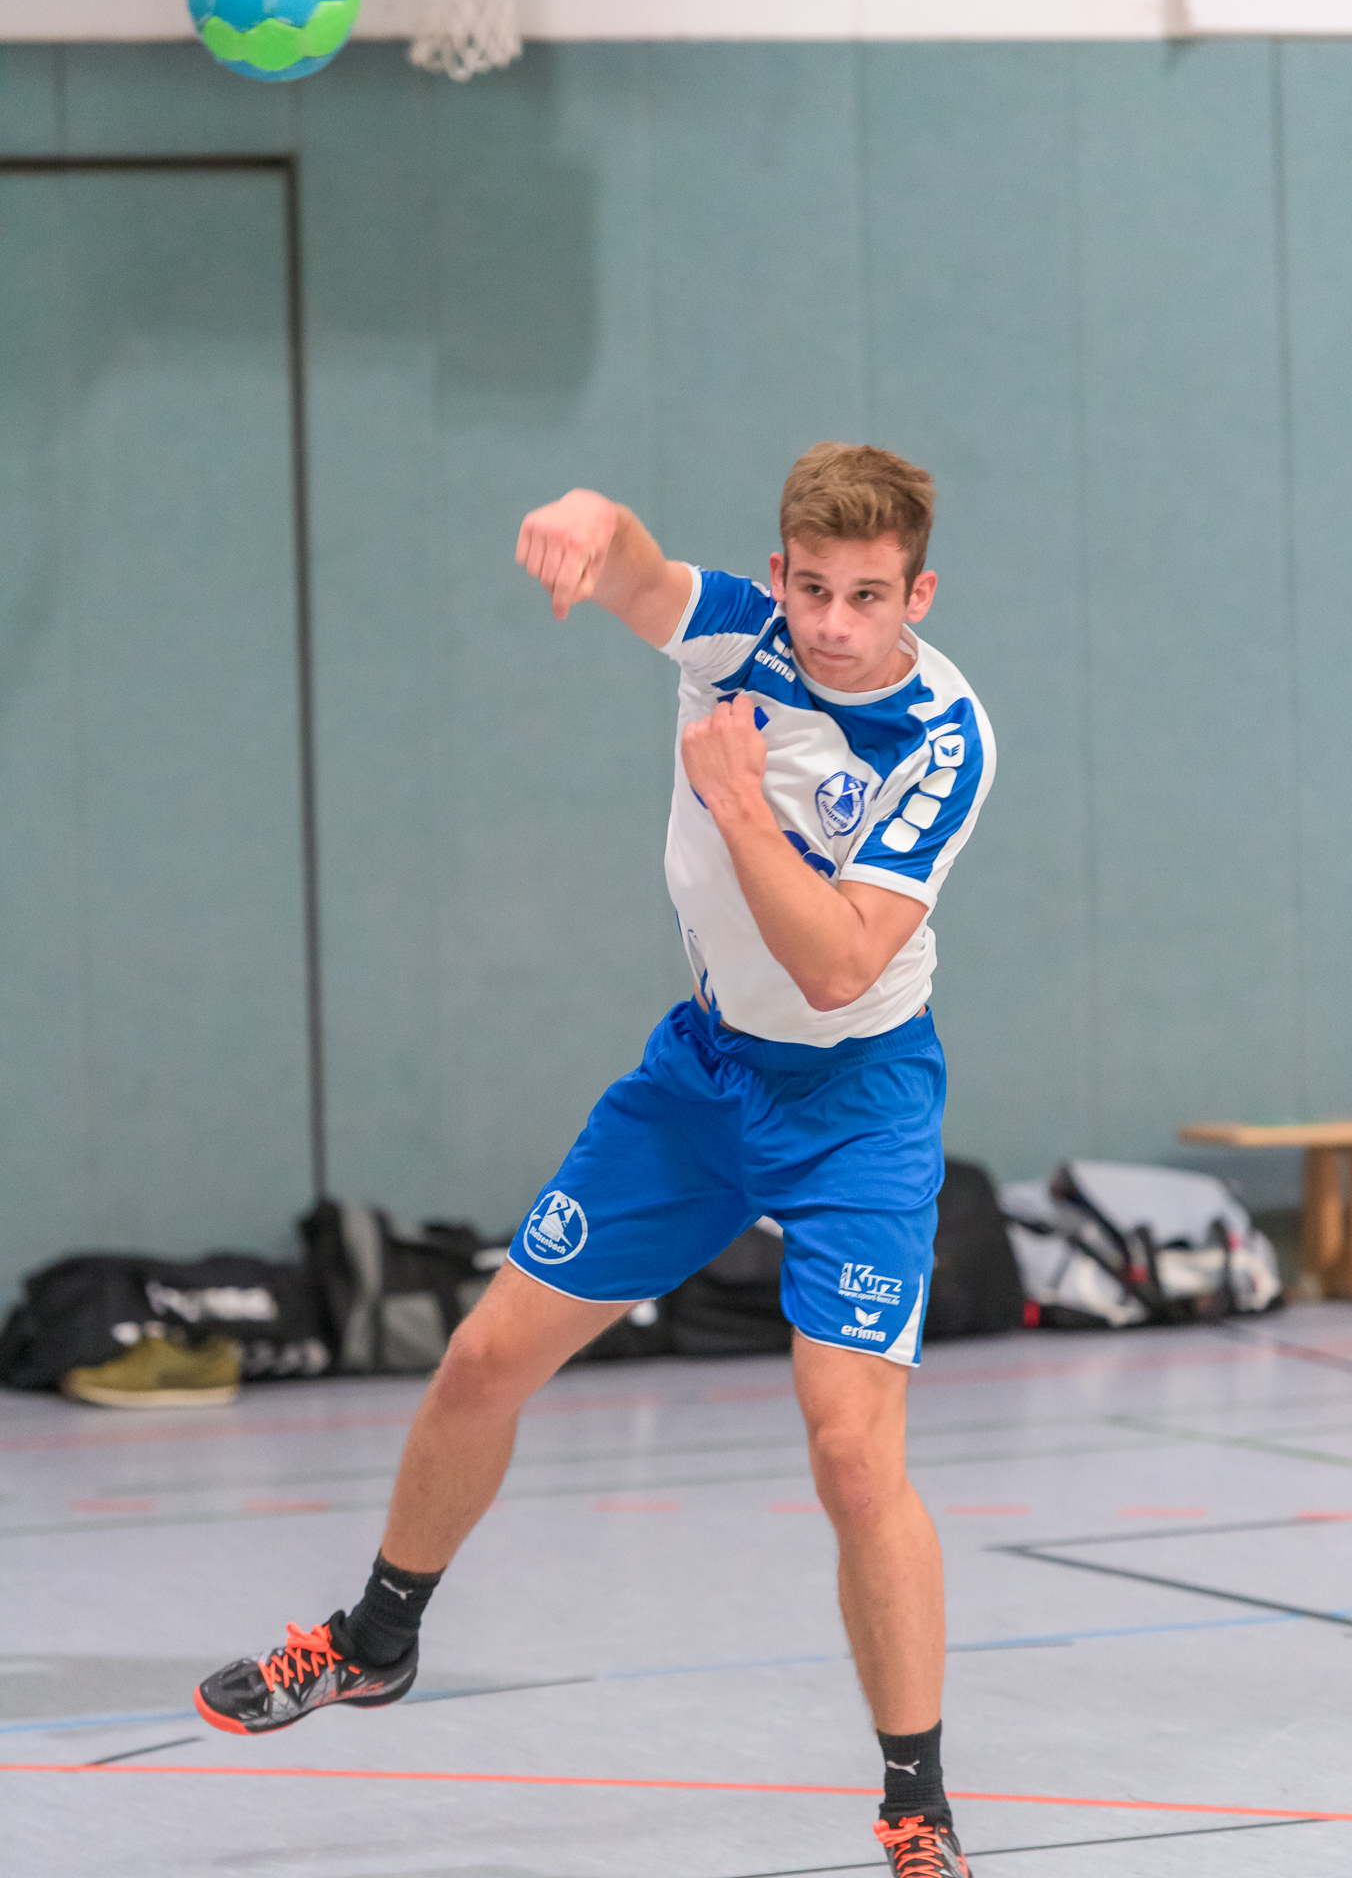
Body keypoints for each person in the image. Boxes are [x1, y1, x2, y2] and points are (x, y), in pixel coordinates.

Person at [195, 442, 996, 1878]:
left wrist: (739, 806)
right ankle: (377, 1635)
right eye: (812, 588)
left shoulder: (943, 738)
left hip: (859, 1101)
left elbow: (835, 967)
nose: (831, 623)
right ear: (780, 576)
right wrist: (590, 519)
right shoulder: (736, 634)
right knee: (481, 1361)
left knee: (852, 1457)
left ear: (915, 596)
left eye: (866, 596)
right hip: (701, 1078)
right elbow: (637, 567)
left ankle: (915, 1802)